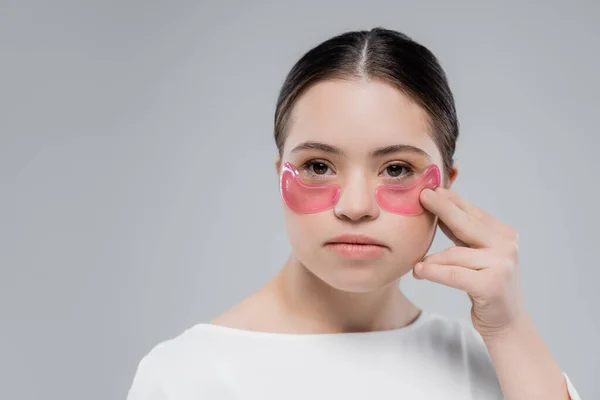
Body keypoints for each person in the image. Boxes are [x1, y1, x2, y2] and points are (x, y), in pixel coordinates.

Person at [126, 27, 581, 399]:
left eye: (397, 168)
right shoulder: (185, 376)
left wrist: (509, 328)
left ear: (446, 186)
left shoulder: (495, 364)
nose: (355, 207)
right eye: (318, 166)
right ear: (278, 175)